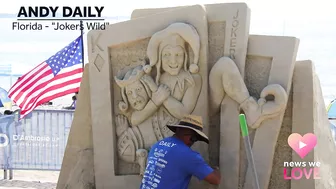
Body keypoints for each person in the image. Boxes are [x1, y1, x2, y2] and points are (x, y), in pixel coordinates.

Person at [139, 114, 221, 189]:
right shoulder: (188, 155)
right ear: (178, 130)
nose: (192, 141)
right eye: (192, 137)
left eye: (195, 138)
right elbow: (215, 179)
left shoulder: (158, 144)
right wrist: (215, 169)